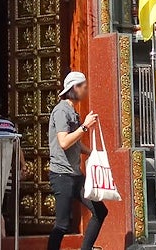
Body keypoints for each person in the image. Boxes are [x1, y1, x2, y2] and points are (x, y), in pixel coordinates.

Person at [48, 71, 106, 250]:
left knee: (100, 211)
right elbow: (64, 142)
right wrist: (85, 126)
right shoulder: (61, 111)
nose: (86, 91)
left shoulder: (72, 110)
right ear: (75, 88)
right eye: (84, 87)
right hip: (61, 175)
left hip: (76, 175)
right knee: (62, 224)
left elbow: (75, 143)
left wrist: (92, 153)